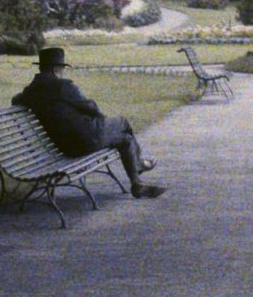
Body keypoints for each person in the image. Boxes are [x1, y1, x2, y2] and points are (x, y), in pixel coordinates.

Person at [13, 46, 165, 199]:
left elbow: (16, 100)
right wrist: (101, 121)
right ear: (55, 69)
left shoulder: (30, 92)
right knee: (123, 122)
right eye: (61, 68)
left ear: (40, 68)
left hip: (67, 148)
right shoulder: (63, 86)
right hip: (89, 138)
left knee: (126, 139)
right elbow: (92, 108)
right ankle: (140, 163)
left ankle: (137, 184)